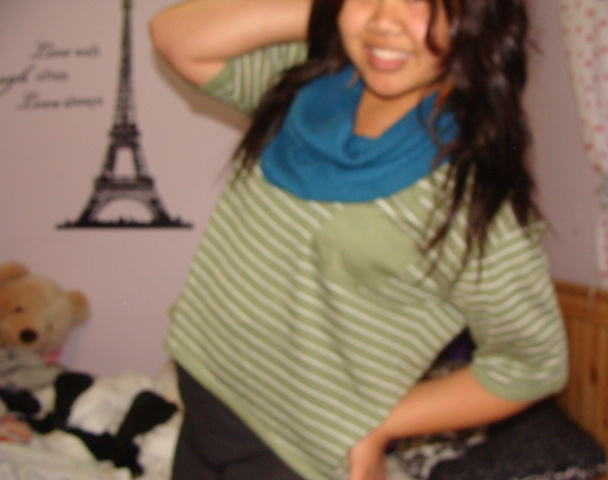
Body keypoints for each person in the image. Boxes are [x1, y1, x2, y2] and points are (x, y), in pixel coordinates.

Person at [149, 1, 568, 479]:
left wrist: (385, 425)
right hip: (204, 412)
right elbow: (174, 35)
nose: (385, 20)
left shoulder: (472, 198)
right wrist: (331, 12)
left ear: (476, 20)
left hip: (290, 458)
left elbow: (534, 363)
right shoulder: (301, 92)